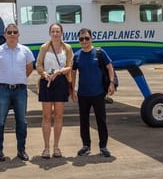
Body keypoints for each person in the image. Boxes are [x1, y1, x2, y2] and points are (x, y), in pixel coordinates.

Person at [0, 23, 35, 161]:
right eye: (9, 32)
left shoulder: (25, 51)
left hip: (20, 90)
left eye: (15, 32)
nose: (12, 35)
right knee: (0, 121)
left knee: (22, 121)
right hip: (3, 90)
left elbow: (30, 67)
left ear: (19, 34)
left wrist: (20, 78)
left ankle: (21, 150)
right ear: (5, 35)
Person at [70, 28, 116, 157]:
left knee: (101, 120)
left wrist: (111, 82)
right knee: (84, 121)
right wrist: (73, 89)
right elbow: (73, 73)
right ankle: (86, 145)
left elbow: (109, 67)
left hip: (98, 93)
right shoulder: (77, 55)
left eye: (86, 38)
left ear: (91, 39)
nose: (84, 41)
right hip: (83, 94)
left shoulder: (100, 53)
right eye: (81, 39)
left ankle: (103, 146)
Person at [36, 22, 74, 158]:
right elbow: (38, 64)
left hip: (61, 82)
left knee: (58, 116)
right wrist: (44, 74)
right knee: (46, 116)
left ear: (61, 33)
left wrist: (60, 71)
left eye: (58, 31)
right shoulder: (44, 47)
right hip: (47, 82)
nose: (55, 34)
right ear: (49, 33)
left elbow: (70, 65)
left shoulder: (67, 48)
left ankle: (56, 147)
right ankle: (46, 148)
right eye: (53, 31)